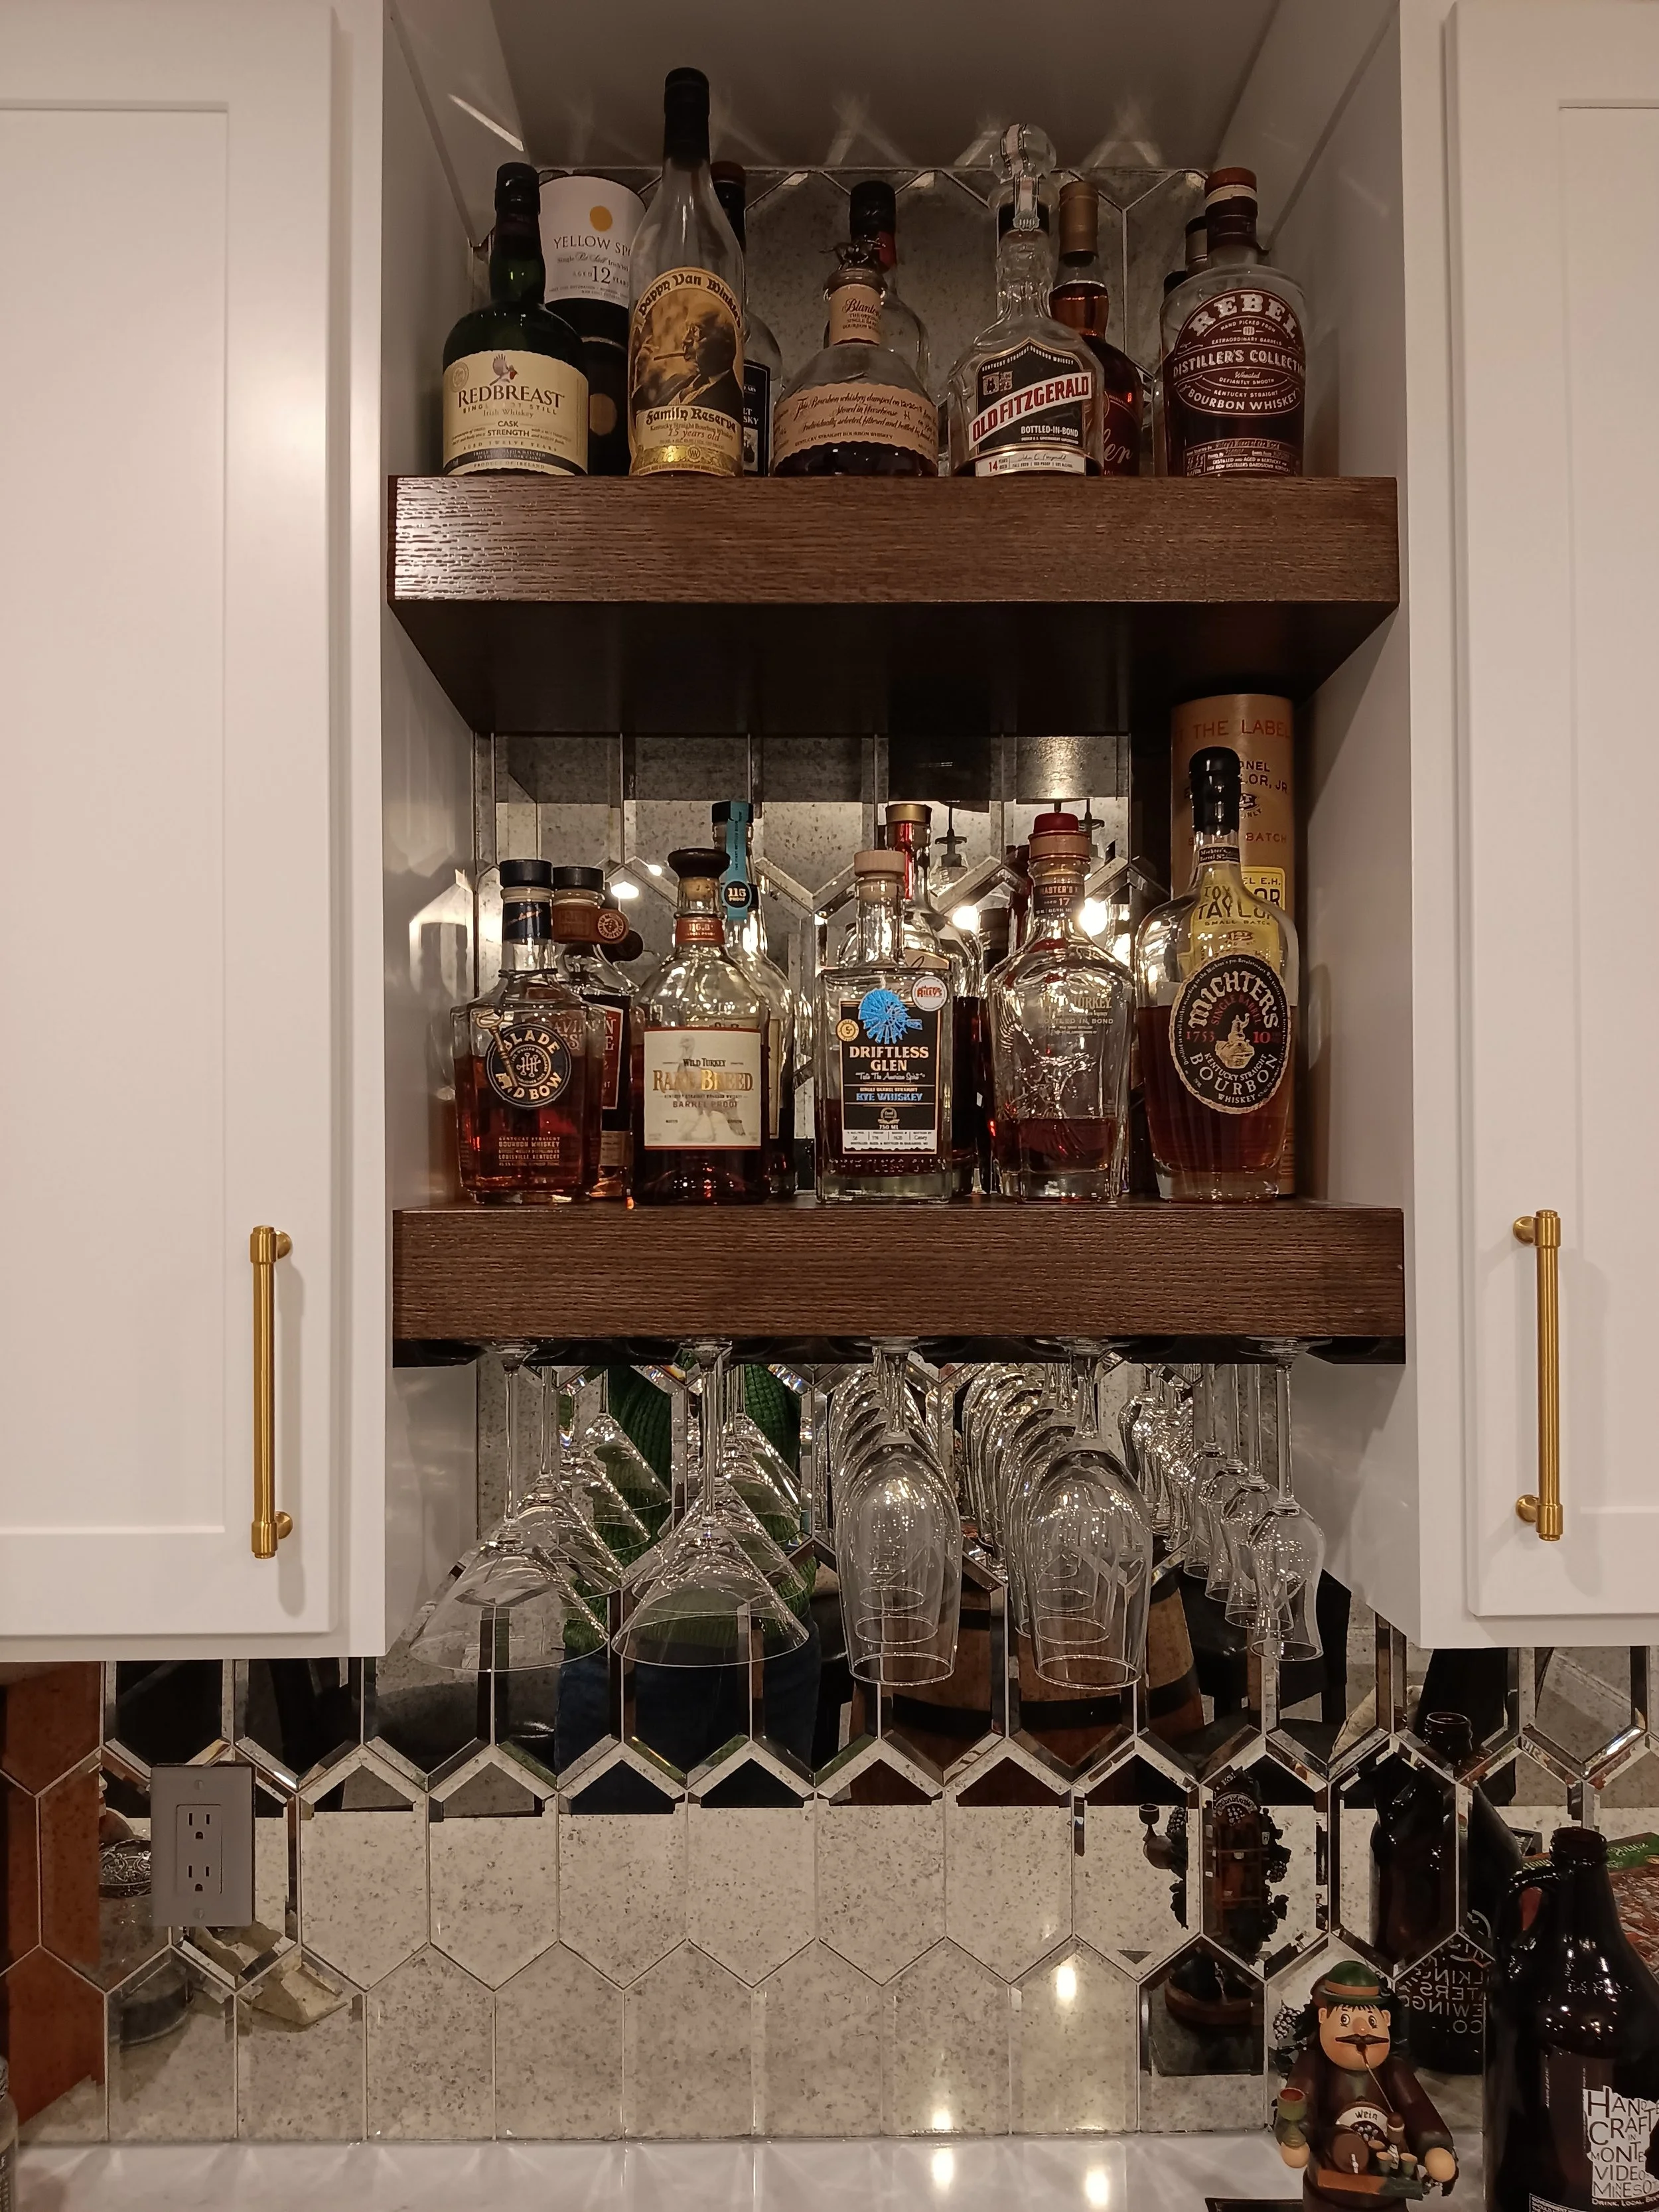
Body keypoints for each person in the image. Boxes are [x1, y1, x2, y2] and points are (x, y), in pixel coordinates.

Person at [1275, 1960, 1458, 2207]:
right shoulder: (1315, 2065)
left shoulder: (1392, 2070)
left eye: (1372, 2022)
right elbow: (1301, 2098)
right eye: (1345, 2019)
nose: (1361, 2029)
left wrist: (1434, 2144)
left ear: (1386, 2019)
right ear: (1322, 2017)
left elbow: (1415, 2106)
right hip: (1330, 2194)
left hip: (1387, 2194)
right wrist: (1298, 2134)